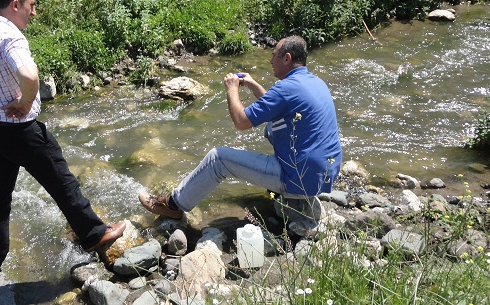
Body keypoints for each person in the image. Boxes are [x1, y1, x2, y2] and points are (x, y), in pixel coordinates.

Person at [0, 0, 125, 272]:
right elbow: (29, 76)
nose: (34, 12)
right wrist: (26, 103)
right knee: (62, 182)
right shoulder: (10, 37)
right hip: (21, 130)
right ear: (15, 4)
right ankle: (94, 234)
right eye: (31, 5)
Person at [139, 36, 343, 235]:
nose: (271, 61)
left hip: (298, 179)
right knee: (272, 127)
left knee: (218, 159)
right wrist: (254, 85)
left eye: (274, 56)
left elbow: (241, 122)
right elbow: (276, 108)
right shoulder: (314, 82)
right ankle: (284, 195)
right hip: (323, 175)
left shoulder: (286, 89)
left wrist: (231, 90)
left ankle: (173, 205)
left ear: (287, 58)